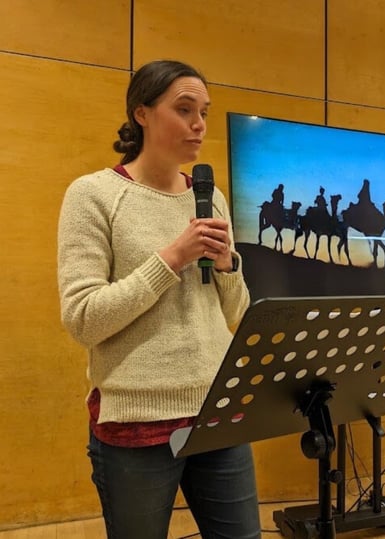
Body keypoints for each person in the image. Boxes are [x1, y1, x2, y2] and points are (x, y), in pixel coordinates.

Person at [56, 60, 260, 539]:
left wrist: (227, 267)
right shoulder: (93, 195)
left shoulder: (211, 197)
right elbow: (83, 319)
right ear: (141, 113)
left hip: (218, 409)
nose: (199, 124)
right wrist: (171, 259)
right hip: (135, 421)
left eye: (204, 112)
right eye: (184, 109)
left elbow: (236, 313)